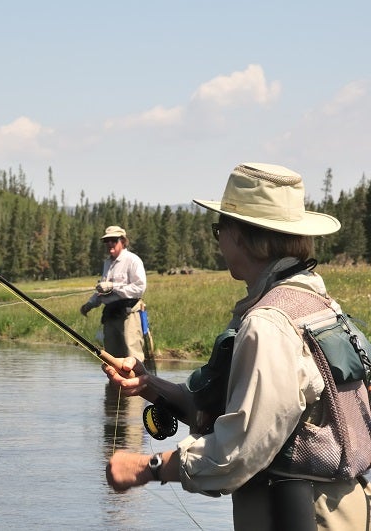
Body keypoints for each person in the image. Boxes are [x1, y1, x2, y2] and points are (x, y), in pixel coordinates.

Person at [102, 162, 371, 530]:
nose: (219, 242)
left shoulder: (269, 324)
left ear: (244, 237)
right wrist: (149, 385)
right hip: (340, 509)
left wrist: (146, 468)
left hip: (303, 516)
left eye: (219, 230)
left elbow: (238, 452)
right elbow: (250, 410)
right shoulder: (318, 304)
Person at [80, 225, 147, 361]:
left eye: (113, 240)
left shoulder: (132, 260)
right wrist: (90, 304)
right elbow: (102, 290)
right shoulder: (107, 263)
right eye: (107, 241)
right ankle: (114, 383)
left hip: (129, 314)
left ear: (123, 241)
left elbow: (139, 288)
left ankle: (137, 382)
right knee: (112, 359)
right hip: (110, 315)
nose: (110, 243)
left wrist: (113, 286)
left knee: (132, 357)